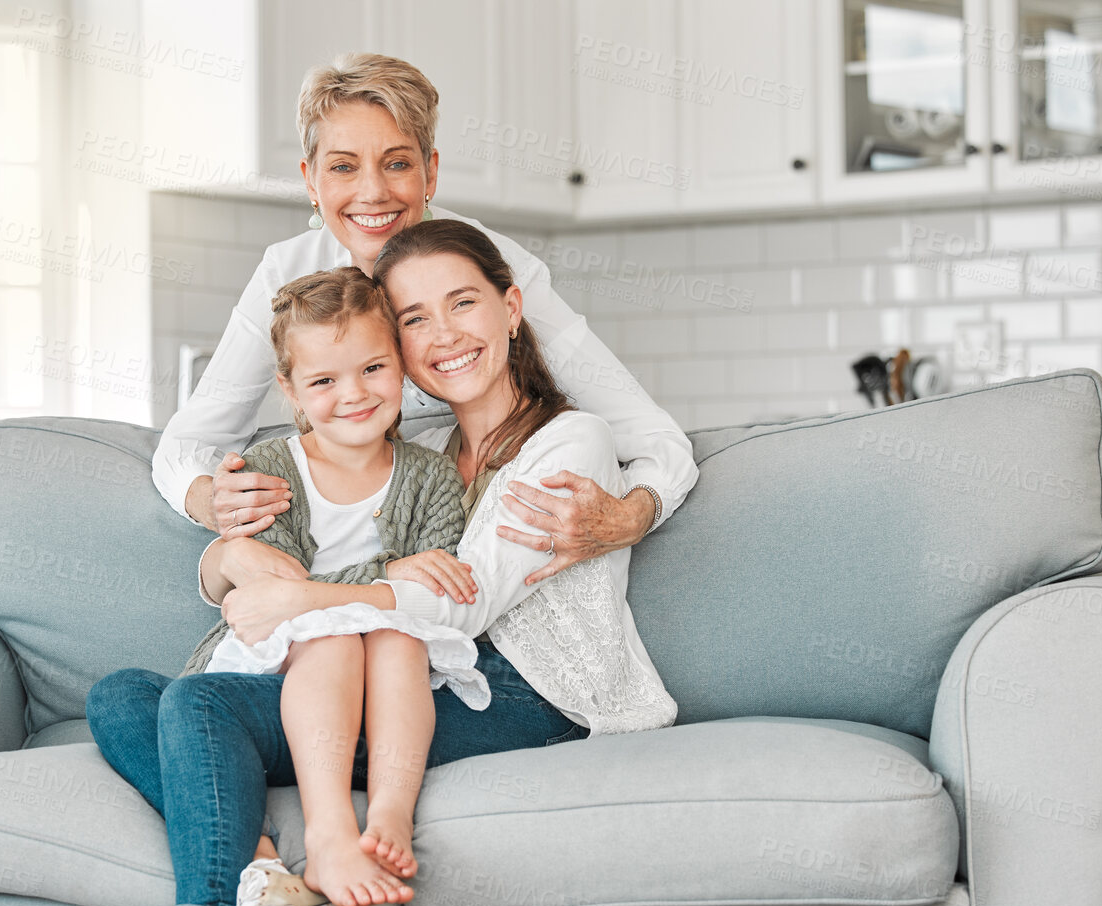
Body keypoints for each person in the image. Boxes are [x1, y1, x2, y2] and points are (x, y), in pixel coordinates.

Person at [86, 218, 677, 906]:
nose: (442, 333)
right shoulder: (435, 445)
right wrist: (227, 554)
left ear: (513, 308)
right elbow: (299, 549)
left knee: (200, 706)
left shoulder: (570, 440)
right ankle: (260, 874)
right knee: (134, 696)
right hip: (399, 663)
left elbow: (464, 602)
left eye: (464, 303)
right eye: (415, 318)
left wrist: (288, 593)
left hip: (525, 693)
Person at [156, 51, 697, 595]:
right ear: (311, 182)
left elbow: (654, 439)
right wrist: (216, 503)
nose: (372, 192)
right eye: (343, 167)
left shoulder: (490, 266)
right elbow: (186, 446)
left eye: (397, 163)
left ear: (430, 171)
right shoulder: (285, 272)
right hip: (335, 545)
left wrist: (629, 519)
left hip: (448, 550)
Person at [186, 265, 486, 906]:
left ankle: (388, 815)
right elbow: (281, 595)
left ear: (400, 367)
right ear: (290, 391)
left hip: (381, 659)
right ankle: (329, 832)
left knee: (398, 636)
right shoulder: (267, 472)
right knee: (336, 640)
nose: (352, 395)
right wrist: (387, 581)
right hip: (278, 660)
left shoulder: (431, 477)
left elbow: (435, 587)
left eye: (372, 369)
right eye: (323, 380)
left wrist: (383, 593)